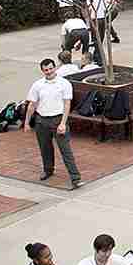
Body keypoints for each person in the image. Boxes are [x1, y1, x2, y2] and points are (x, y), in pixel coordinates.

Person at [25, 59, 82, 190]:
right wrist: (27, 123)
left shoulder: (64, 84)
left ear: (55, 68)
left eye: (51, 68)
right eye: (46, 70)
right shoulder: (37, 85)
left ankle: (75, 177)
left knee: (65, 150)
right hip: (41, 121)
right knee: (45, 148)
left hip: (58, 120)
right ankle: (48, 170)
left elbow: (67, 104)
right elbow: (32, 105)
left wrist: (63, 123)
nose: (49, 72)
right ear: (42, 71)